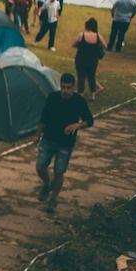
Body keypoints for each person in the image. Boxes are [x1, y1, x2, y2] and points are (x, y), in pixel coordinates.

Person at [36, 73, 93, 213]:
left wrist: (76, 125)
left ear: (74, 87)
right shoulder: (52, 97)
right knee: (40, 166)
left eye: (68, 88)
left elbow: (89, 121)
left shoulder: (79, 101)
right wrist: (38, 135)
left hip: (65, 143)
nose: (65, 91)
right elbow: (43, 118)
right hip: (48, 138)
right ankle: (47, 184)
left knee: (59, 171)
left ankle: (53, 199)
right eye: (63, 87)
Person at [72, 19, 106, 99]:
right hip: (93, 60)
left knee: (81, 76)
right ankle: (92, 95)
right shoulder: (98, 36)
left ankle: (80, 93)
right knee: (91, 76)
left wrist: (80, 46)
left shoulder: (82, 35)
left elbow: (74, 44)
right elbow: (105, 46)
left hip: (81, 58)